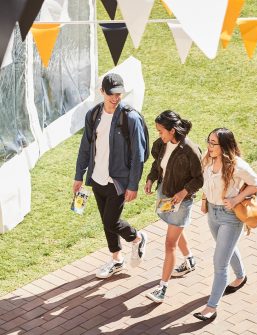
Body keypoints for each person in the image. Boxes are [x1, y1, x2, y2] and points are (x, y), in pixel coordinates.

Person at [73, 73, 148, 279]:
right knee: (106, 221)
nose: (116, 98)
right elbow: (85, 147)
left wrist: (133, 185)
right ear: (102, 92)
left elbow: (138, 155)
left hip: (119, 180)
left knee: (110, 221)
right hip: (97, 178)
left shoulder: (130, 117)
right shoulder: (93, 115)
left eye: (119, 94)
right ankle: (116, 259)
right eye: (111, 94)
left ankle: (137, 238)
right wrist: (79, 175)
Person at [193, 127, 257, 321]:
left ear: (224, 146)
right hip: (213, 214)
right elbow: (207, 182)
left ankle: (211, 308)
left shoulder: (237, 165)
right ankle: (241, 276)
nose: (209, 146)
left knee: (219, 263)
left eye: (213, 143)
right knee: (226, 249)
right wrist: (205, 201)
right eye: (209, 141)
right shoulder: (207, 158)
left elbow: (256, 183)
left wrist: (236, 199)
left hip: (230, 217)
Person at [144, 110, 203, 303]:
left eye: (161, 131)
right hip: (165, 196)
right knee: (174, 231)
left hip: (181, 202)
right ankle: (190, 259)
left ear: (172, 130)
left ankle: (162, 288)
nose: (159, 134)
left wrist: (183, 192)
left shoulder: (190, 150)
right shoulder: (163, 143)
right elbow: (158, 163)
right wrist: (151, 178)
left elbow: (199, 178)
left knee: (170, 244)